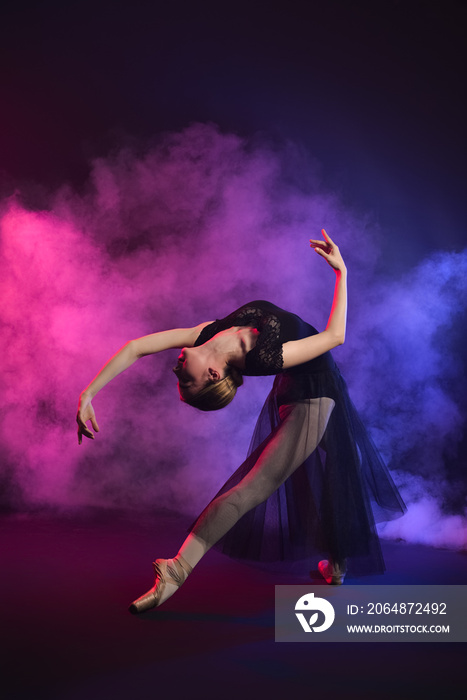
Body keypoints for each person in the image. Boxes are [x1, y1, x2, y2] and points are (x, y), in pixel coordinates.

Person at [76, 230, 405, 613]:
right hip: (311, 394)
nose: (175, 370)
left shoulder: (208, 333)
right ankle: (176, 570)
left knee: (342, 465)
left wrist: (88, 393)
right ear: (214, 375)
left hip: (310, 383)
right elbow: (336, 336)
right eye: (187, 379)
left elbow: (136, 347)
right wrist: (341, 273)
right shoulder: (264, 358)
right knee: (257, 485)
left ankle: (336, 562)